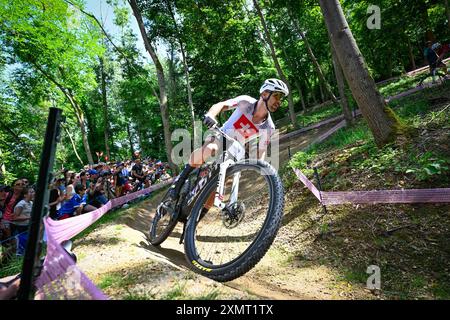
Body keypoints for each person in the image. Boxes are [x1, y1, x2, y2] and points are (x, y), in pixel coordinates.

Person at [167, 78, 289, 214]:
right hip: (221, 135)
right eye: (277, 95)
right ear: (265, 94)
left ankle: (197, 219)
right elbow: (222, 105)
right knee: (210, 148)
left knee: (221, 183)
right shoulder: (246, 101)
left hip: (234, 150)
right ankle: (180, 180)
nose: (279, 101)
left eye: (281, 98)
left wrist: (258, 165)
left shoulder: (269, 127)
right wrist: (211, 115)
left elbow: (261, 151)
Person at [11, 187, 34, 256]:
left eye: (33, 191)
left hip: (26, 228)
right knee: (18, 249)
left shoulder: (31, 202)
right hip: (19, 229)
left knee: (25, 247)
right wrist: (29, 217)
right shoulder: (21, 204)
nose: (34, 193)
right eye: (31, 192)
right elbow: (15, 218)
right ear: (25, 195)